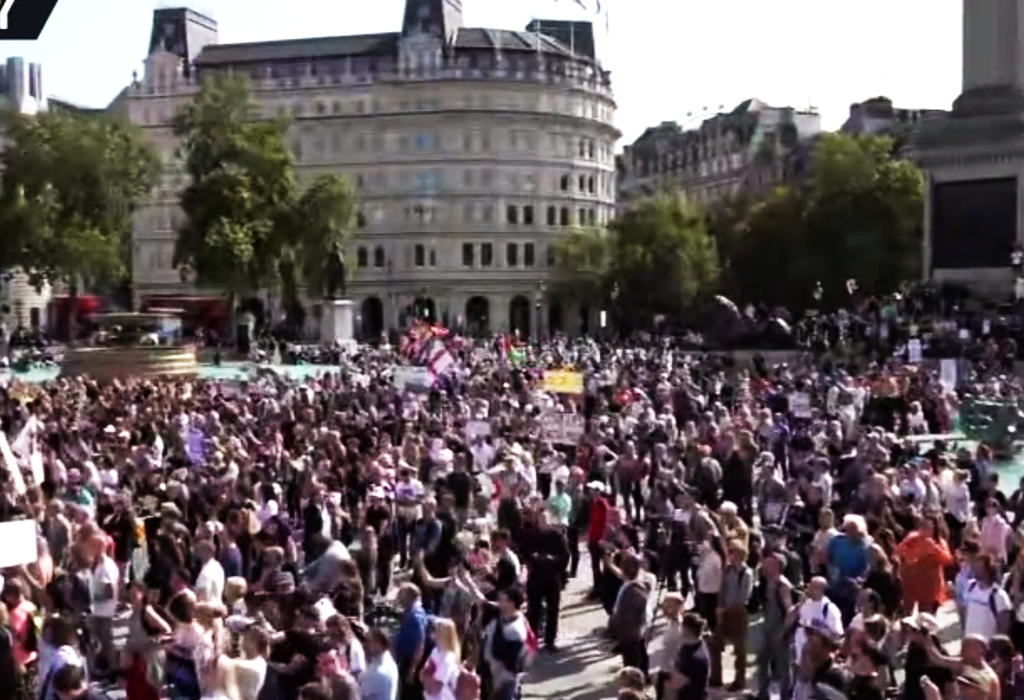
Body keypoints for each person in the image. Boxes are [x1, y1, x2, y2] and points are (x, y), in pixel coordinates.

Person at [522, 511, 570, 651]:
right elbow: (524, 553)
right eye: (539, 520)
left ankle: (550, 640)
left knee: (552, 610)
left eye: (544, 520)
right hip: (535, 577)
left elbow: (565, 556)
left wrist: (552, 560)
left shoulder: (557, 537)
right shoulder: (531, 536)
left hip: (552, 577)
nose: (542, 523)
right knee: (533, 610)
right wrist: (532, 558)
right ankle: (532, 639)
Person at [710, 542, 753, 692]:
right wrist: (719, 607)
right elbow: (722, 589)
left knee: (739, 650)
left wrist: (725, 608)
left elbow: (743, 598)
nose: (730, 555)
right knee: (715, 644)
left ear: (740, 554)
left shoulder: (746, 573)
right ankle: (716, 677)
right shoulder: (727, 570)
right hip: (724, 612)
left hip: (738, 613)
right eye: (729, 551)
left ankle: (739, 680)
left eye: (732, 551)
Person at [755, 552, 794, 700]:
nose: (765, 567)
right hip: (767, 628)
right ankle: (762, 694)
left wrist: (782, 632)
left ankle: (785, 696)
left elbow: (790, 611)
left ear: (778, 566)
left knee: (783, 667)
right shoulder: (765, 582)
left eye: (769, 564)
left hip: (780, 631)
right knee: (762, 661)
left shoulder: (783, 585)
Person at [608, 551, 652, 678]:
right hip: (633, 632)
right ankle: (643, 675)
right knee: (638, 655)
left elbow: (630, 616)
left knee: (632, 660)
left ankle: (635, 681)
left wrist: (619, 628)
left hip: (631, 632)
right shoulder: (630, 582)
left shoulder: (633, 589)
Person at [482, 586, 529, 700]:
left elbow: (510, 658)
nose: (499, 603)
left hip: (504, 677)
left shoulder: (516, 629)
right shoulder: (502, 617)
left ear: (511, 604)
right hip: (493, 674)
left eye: (502, 600)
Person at [964, 554, 1013, 638]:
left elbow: (1004, 629)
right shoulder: (970, 587)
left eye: (978, 566)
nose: (974, 568)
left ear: (987, 569)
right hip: (971, 643)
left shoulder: (999, 596)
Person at [393, 584, 428, 700]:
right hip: (405, 660)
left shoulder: (415, 616)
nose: (399, 599)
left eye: (401, 595)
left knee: (409, 694)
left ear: (409, 596)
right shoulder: (410, 612)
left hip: (410, 662)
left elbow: (420, 643)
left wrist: (412, 668)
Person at [665, 613, 710, 700]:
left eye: (680, 625)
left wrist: (668, 665)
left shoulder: (694, 658)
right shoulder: (695, 644)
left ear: (687, 630)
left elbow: (676, 684)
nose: (678, 628)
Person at [419, 618, 460, 700]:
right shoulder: (435, 651)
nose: (432, 631)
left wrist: (427, 677)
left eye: (435, 629)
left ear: (443, 634)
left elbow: (435, 688)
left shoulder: (449, 658)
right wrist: (427, 678)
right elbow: (421, 676)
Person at [361, 627, 399, 700]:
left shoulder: (377, 671)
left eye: (369, 641)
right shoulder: (390, 661)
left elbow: (358, 692)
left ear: (378, 643)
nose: (365, 644)